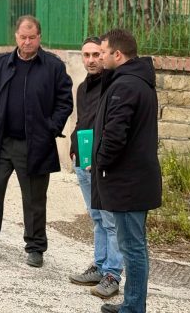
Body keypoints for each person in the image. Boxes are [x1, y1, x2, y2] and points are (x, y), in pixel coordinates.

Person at [0, 15, 73, 268]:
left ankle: (36, 248)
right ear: (15, 36)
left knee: (35, 199)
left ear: (39, 38)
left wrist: (50, 129)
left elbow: (64, 102)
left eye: (32, 37)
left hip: (35, 144)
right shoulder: (2, 64)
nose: (27, 42)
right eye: (23, 37)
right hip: (2, 142)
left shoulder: (53, 66)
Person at [92, 29, 162, 313]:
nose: (100, 57)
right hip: (134, 180)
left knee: (133, 249)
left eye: (104, 52)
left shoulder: (126, 86)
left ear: (117, 55)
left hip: (129, 183)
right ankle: (133, 303)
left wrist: (101, 163)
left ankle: (134, 308)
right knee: (133, 247)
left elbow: (116, 136)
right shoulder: (134, 82)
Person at [68, 37, 123, 299]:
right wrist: (74, 147)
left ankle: (113, 274)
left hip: (103, 163)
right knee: (97, 217)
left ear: (104, 56)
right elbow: (82, 121)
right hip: (84, 160)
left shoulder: (112, 86)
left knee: (111, 221)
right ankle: (100, 267)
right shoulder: (81, 88)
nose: (91, 60)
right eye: (86, 55)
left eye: (96, 54)